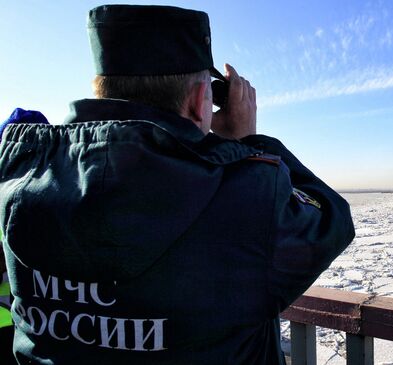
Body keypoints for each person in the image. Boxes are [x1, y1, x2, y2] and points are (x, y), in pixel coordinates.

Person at [0, 4, 354, 365]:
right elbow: (333, 219)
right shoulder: (246, 199)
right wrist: (250, 142)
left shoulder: (20, 173)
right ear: (198, 102)